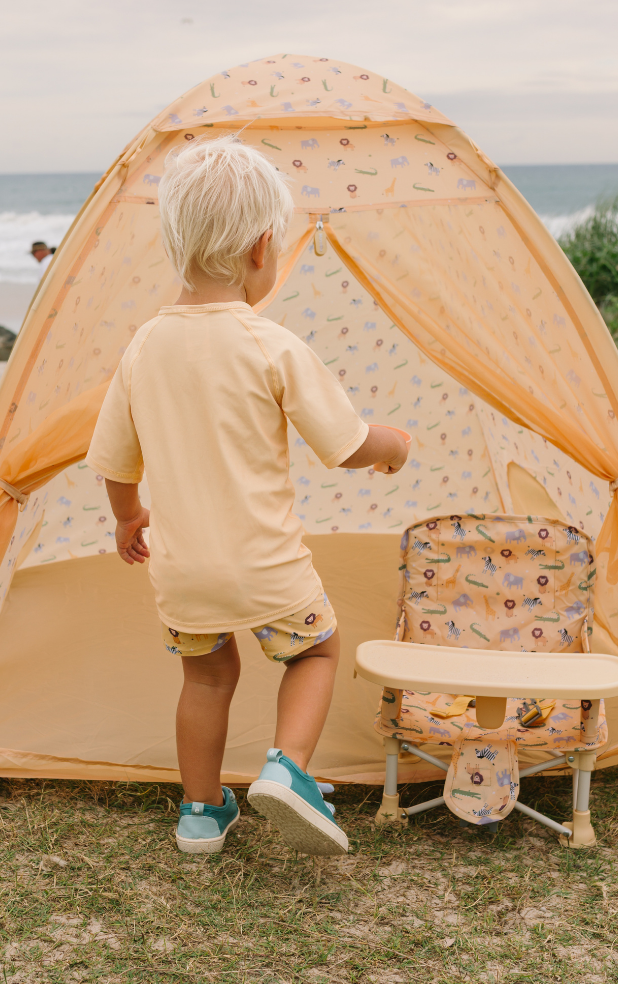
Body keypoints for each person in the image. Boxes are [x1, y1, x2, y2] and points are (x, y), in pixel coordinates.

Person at [86, 135, 408, 856]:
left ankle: (201, 812)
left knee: (206, 678)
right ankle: (288, 770)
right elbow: (347, 444)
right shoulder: (270, 344)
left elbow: (113, 459)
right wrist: (393, 446)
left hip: (182, 571)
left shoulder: (144, 346)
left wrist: (128, 519)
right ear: (264, 249)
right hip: (266, 565)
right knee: (315, 652)